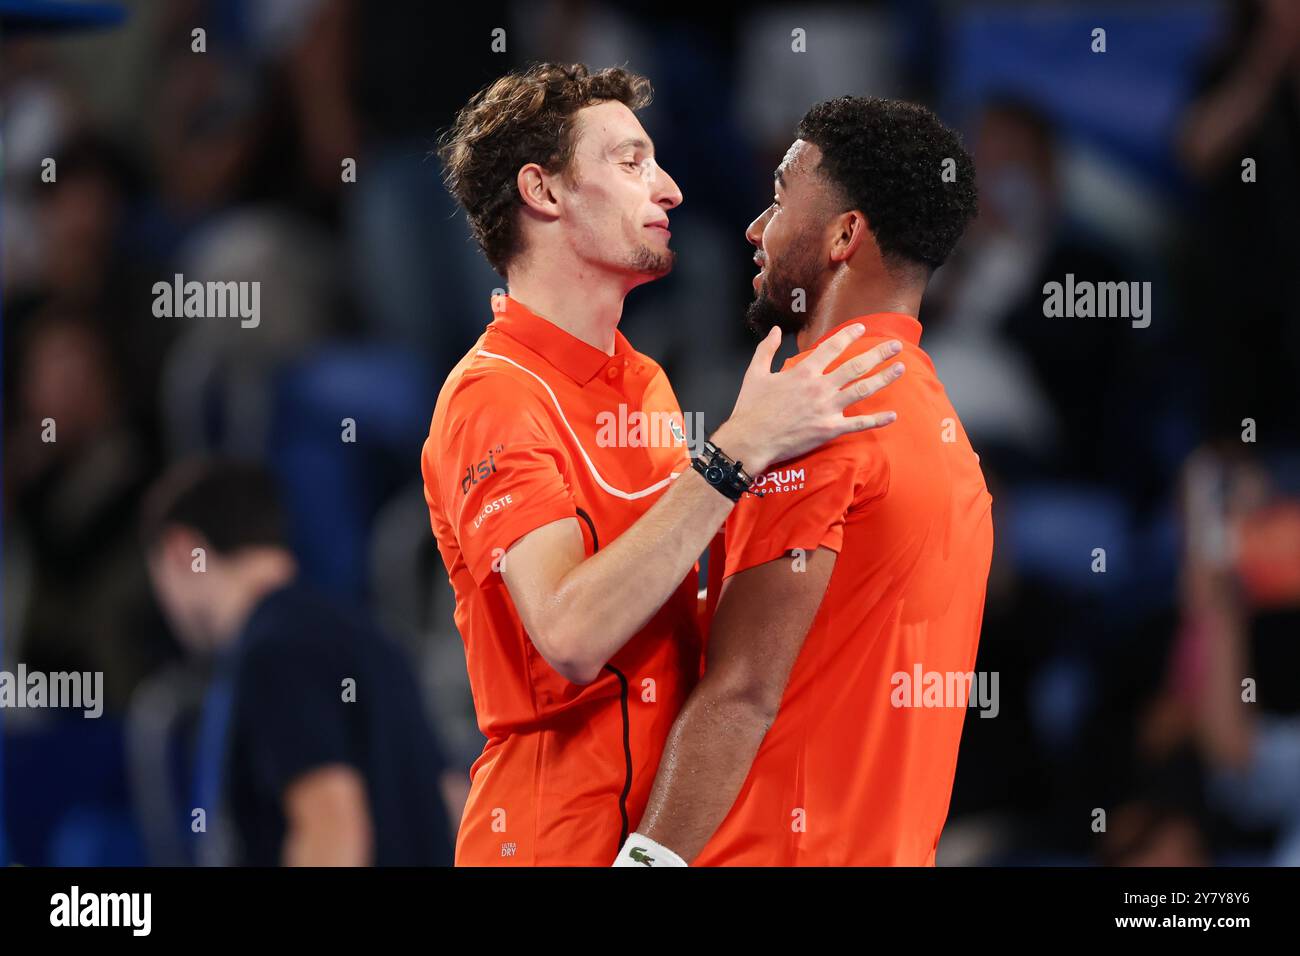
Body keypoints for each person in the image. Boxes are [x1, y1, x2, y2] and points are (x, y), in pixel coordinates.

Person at [422, 63, 906, 866]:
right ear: (543, 192)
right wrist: (737, 455)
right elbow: (572, 634)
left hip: (659, 843)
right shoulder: (491, 399)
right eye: (630, 161)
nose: (671, 188)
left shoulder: (642, 380)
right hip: (550, 842)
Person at [614, 96, 991, 866]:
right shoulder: (948, 441)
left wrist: (643, 864)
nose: (756, 227)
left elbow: (743, 693)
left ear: (845, 235)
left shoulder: (815, 418)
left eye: (781, 196)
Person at [142, 458, 454, 866]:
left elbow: (332, 835)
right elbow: (453, 800)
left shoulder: (273, 652)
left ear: (181, 550)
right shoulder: (371, 635)